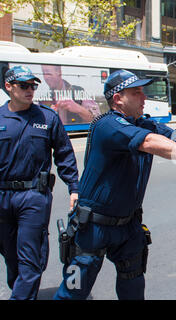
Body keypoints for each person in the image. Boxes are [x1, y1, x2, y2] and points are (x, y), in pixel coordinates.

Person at [53, 69, 176, 300]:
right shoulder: (108, 125)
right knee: (73, 292)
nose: (144, 97)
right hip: (94, 226)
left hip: (129, 225)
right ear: (118, 98)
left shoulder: (143, 123)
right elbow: (149, 143)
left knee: (133, 289)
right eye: (136, 93)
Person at [0, 65, 79, 300]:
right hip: (2, 197)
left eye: (33, 86)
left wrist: (74, 187)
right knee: (11, 257)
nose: (30, 90)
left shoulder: (47, 117)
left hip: (34, 196)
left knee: (30, 258)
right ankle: (23, 290)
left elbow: (64, 154)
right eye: (24, 86)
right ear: (8, 87)